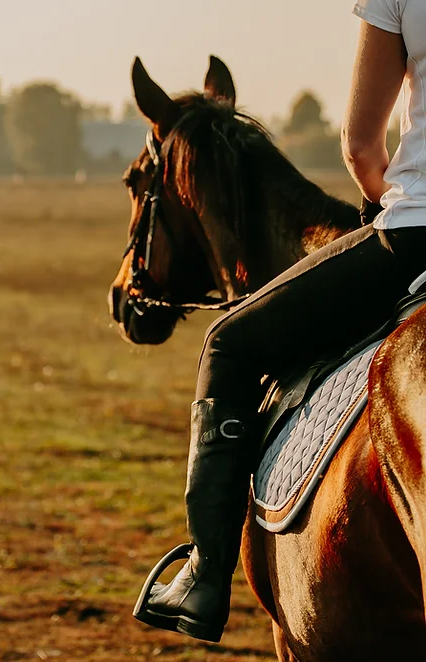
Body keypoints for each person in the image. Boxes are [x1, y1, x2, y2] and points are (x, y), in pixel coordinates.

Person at [135, 0, 426, 644]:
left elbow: (360, 145)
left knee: (228, 344)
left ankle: (203, 577)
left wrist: (387, 198)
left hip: (417, 234)